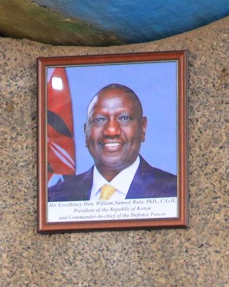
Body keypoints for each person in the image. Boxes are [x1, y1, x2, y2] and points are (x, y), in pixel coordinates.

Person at [46, 83, 179, 203]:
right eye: (99, 120)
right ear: (86, 132)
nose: (111, 130)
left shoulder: (174, 192)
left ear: (143, 128)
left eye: (124, 118)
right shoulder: (54, 197)